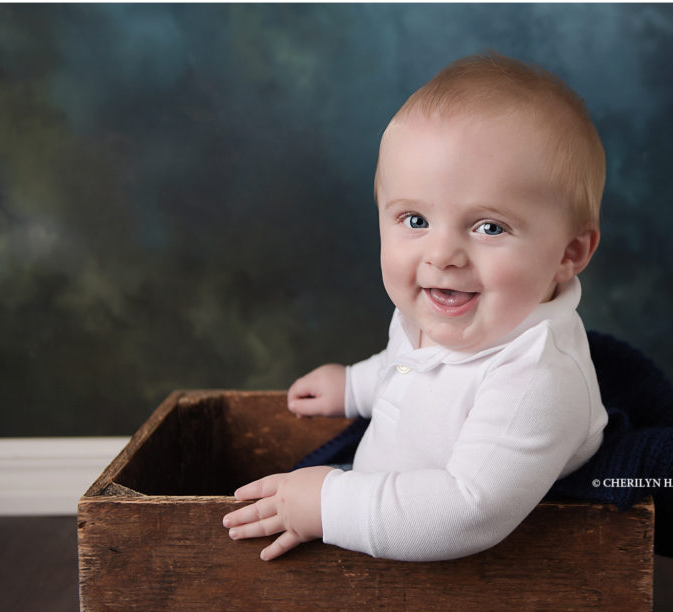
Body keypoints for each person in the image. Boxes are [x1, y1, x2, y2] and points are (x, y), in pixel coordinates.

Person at [222, 51, 611, 561]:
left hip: (453, 564)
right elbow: (410, 368)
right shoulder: (437, 313)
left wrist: (329, 505)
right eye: (414, 220)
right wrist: (357, 385)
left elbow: (469, 509)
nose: (442, 255)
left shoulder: (536, 377)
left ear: (568, 253)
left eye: (489, 227)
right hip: (382, 500)